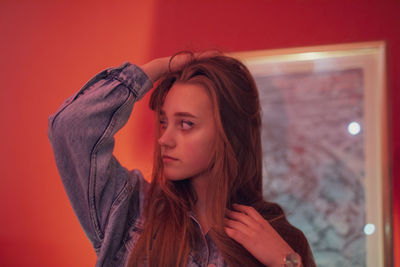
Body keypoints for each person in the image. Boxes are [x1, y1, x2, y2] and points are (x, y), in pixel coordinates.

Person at [48, 52, 316, 267]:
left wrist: (288, 263)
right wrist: (160, 67)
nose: (164, 139)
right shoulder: (130, 211)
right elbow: (71, 127)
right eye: (164, 122)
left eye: (186, 124)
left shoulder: (282, 239)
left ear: (230, 135)